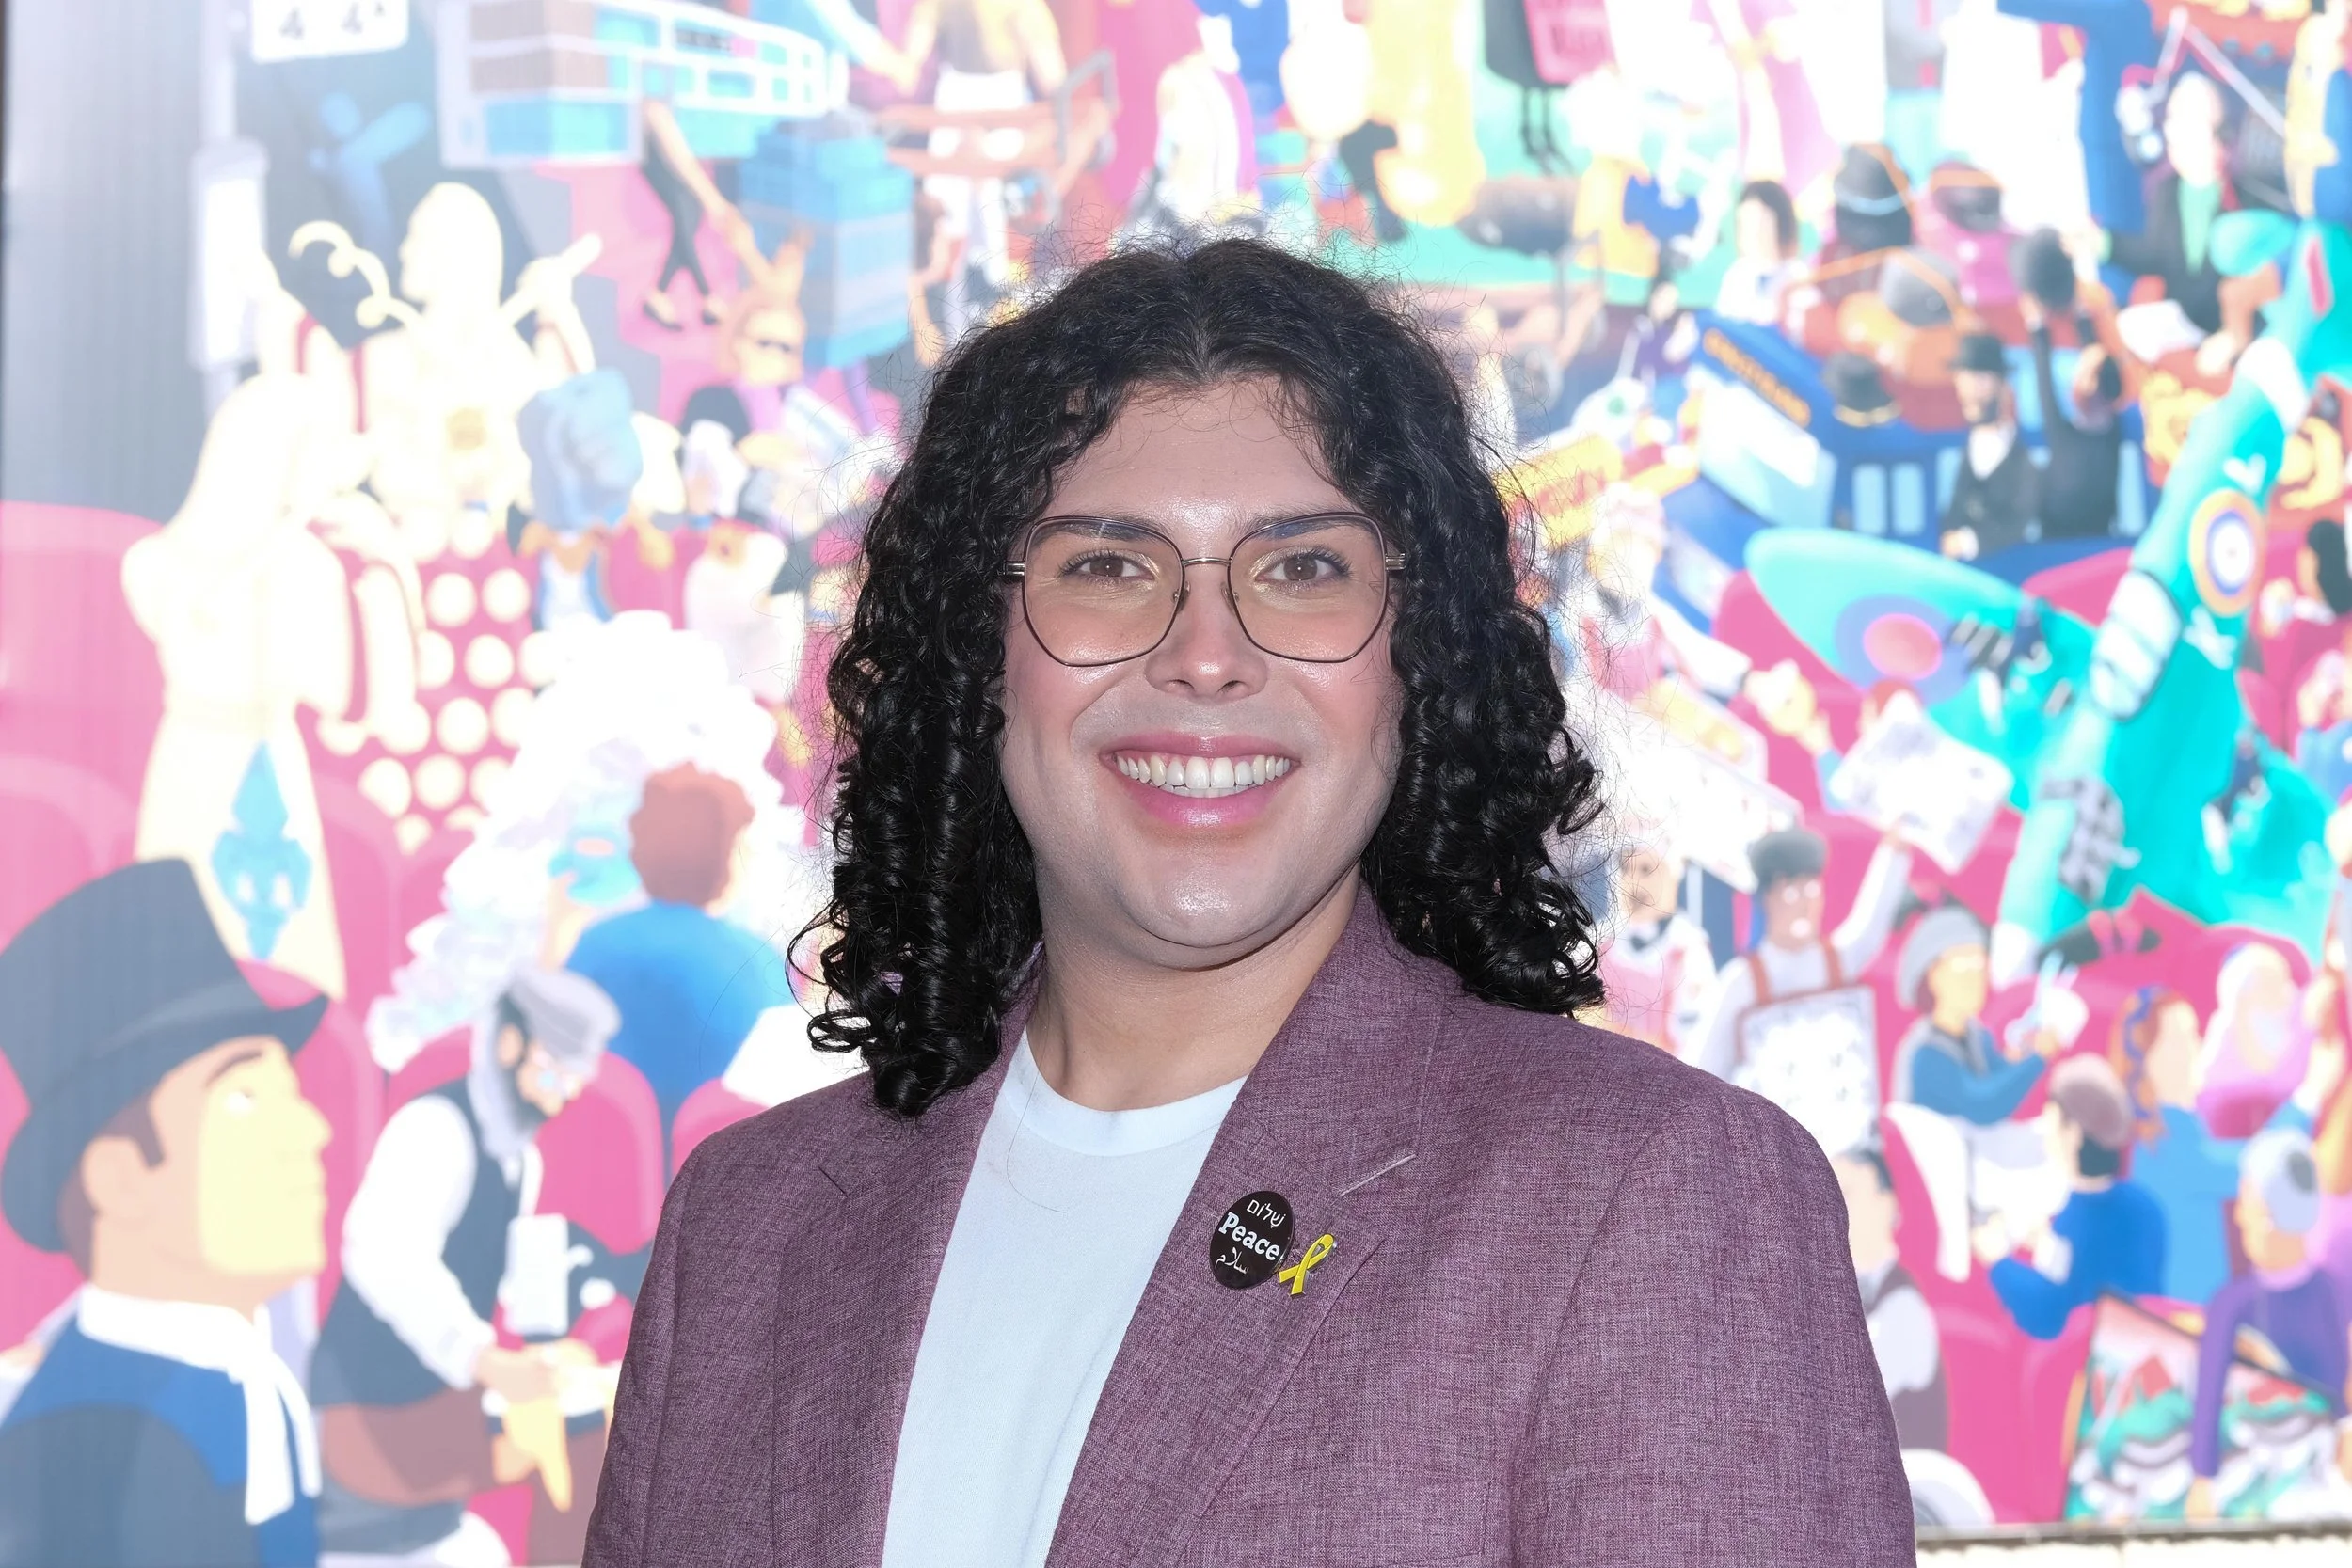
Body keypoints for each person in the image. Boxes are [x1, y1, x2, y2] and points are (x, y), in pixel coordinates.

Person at [580, 240, 1913, 1565]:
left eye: (1304, 568)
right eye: (1106, 565)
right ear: (978, 654)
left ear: (1417, 654)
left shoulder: (1653, 1197)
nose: (1206, 654)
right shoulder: (746, 1230)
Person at [0, 861, 333, 1568]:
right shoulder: (91, 1440)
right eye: (244, 1098)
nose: (312, 1130)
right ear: (120, 1176)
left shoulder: (245, 1376)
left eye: (291, 1092)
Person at [308, 967, 621, 1568]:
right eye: (554, 1072)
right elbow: (383, 1255)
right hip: (374, 1410)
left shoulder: (519, 1159)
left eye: (574, 1081)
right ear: (509, 1046)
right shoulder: (434, 1129)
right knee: (575, 1437)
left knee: (584, 1415)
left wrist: (545, 1354)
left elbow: (489, 1275)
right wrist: (483, 1359)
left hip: (440, 1402)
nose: (562, 1096)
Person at [566, 765, 795, 1129]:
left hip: (602, 1158)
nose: (750, 859)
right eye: (744, 846)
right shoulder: (758, 963)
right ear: (719, 852)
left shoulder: (595, 946)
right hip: (720, 1168)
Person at [1688, 824, 1914, 1158]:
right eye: (1792, 894)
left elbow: (1872, 921)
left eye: (1812, 891)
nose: (1804, 906)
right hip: (1781, 1158)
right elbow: (1702, 1068)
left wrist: (1893, 850)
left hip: (1850, 1153)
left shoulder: (1838, 959)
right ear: (1768, 900)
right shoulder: (1744, 981)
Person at [2114, 984, 2345, 1306]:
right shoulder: (2157, 1145)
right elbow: (2256, 1163)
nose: (2192, 1049)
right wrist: (2311, 1094)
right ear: (2144, 1057)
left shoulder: (2173, 1128)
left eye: (2192, 1035)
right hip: (2179, 1314)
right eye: (2177, 1041)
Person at [2185, 1129, 2349, 1521]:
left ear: (2273, 1216)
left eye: (2247, 1203)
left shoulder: (2325, 1294)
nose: (2238, 1217)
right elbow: (2208, 1396)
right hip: (2266, 1476)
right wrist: (2204, 1476)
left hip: (2309, 1479)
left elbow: (2340, 1381)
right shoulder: (2235, 1305)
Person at [1979, 1055, 2167, 1339]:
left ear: (2074, 1134)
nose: (2045, 1134)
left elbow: (2048, 1315)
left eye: (2052, 1122)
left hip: (2089, 1367)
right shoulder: (2145, 1207)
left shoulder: (2076, 1219)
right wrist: (2045, 1243)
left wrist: (1998, 1262)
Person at [1832, 1147, 1948, 1452]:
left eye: (1846, 1193)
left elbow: (1844, 1402)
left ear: (1886, 1204)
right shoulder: (1843, 1289)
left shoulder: (1902, 1305)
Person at [1891, 904, 2053, 1124]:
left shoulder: (1975, 1035)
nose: (1975, 980)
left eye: (1980, 968)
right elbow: (1982, 1104)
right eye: (1964, 969)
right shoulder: (1926, 1051)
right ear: (1934, 977)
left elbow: (1995, 1073)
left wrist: (2022, 1055)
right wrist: (2037, 1058)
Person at [1598, 825, 1717, 1057]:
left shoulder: (1688, 953)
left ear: (1672, 874)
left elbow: (1697, 1042)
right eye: (1625, 869)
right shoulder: (1603, 946)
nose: (1633, 883)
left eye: (1646, 870)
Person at [1940, 330, 2040, 562]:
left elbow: (2020, 520)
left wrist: (1969, 541)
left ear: (2001, 385)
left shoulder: (2022, 455)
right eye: (1963, 379)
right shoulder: (1961, 448)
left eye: (1980, 379)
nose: (1969, 390)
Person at [1715, 179, 1804, 326]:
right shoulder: (1736, 275)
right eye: (1744, 223)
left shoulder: (1798, 276)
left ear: (1781, 225)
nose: (1752, 232)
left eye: (1760, 222)